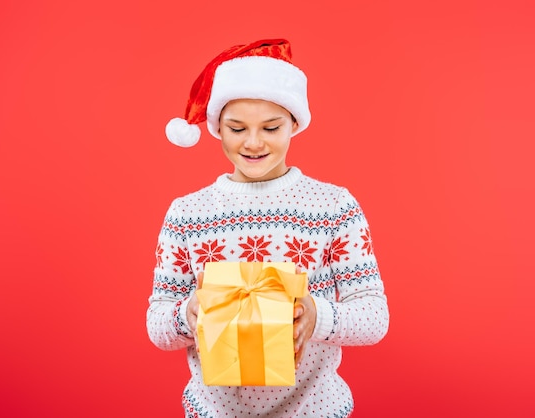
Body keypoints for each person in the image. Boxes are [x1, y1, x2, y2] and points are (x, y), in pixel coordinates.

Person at [146, 38, 389, 418]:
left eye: (271, 127)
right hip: (213, 412)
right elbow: (157, 323)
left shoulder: (334, 207)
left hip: (316, 410)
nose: (254, 142)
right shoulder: (187, 214)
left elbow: (374, 317)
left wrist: (315, 314)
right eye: (237, 128)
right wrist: (187, 313)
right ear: (216, 128)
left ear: (294, 123)